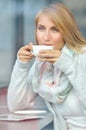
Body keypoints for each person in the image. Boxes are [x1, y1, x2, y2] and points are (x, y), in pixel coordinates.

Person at [7, 2, 86, 130]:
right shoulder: (42, 64)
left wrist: (66, 63)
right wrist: (21, 65)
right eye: (41, 28)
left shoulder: (82, 55)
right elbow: (16, 106)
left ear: (67, 32)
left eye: (55, 30)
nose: (46, 37)